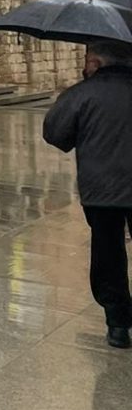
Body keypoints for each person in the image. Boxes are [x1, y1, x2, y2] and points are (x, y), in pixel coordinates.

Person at [44, 38, 132, 348]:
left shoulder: (82, 94)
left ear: (95, 63)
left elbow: (55, 134)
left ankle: (118, 323)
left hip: (101, 190)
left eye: (86, 59)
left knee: (108, 252)